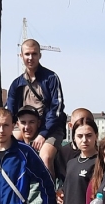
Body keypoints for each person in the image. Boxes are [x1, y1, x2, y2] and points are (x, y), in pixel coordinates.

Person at [6, 39, 66, 176]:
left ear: (40, 55)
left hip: (50, 127)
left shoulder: (51, 78)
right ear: (21, 56)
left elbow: (57, 108)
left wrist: (43, 134)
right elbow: (10, 111)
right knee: (5, 149)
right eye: (27, 54)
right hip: (26, 125)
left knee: (45, 157)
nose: (30, 58)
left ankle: (50, 194)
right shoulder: (16, 84)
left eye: (34, 54)